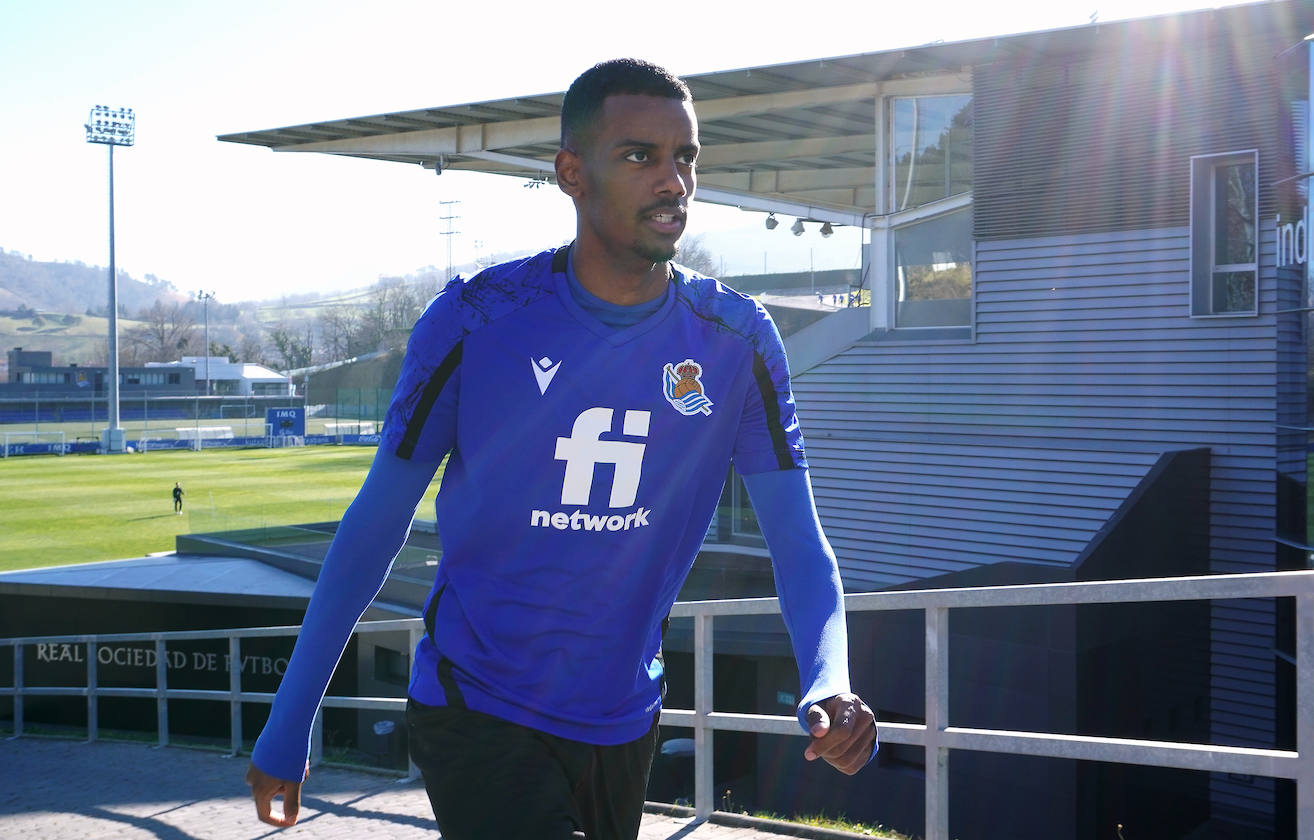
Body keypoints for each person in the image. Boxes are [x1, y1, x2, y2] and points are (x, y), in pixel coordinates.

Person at [245, 58, 877, 839]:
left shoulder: (738, 340)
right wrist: (290, 716)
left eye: (686, 157)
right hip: (475, 706)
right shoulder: (476, 320)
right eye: (640, 156)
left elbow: (798, 541)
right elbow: (375, 523)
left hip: (623, 719)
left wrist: (829, 679)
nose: (674, 181)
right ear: (572, 173)